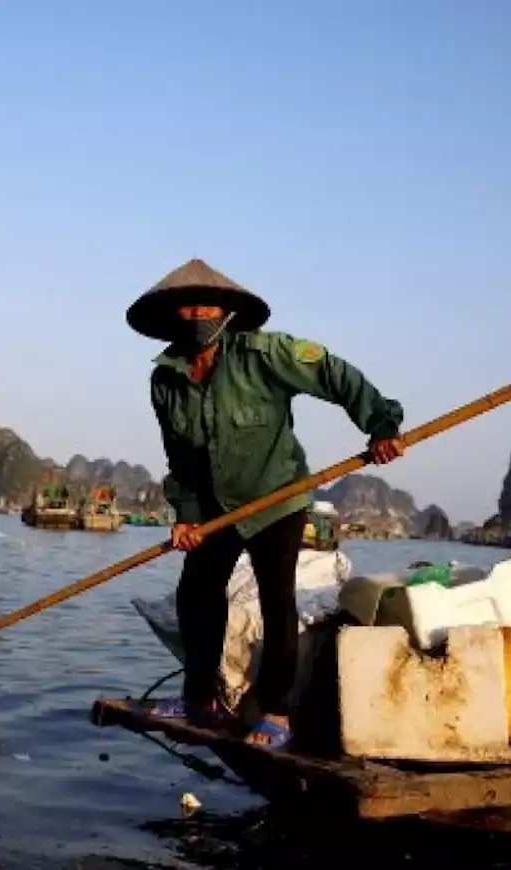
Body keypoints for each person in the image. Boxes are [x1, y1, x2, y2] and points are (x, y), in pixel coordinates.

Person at [126, 258, 406, 750]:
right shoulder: (165, 379)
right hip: (215, 508)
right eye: (188, 306)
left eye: (208, 305)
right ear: (173, 315)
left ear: (228, 312)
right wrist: (188, 516)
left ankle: (276, 709)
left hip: (277, 497)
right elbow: (180, 455)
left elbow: (335, 376)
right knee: (196, 595)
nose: (198, 314)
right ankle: (200, 699)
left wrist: (380, 425)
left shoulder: (265, 354)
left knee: (278, 601)